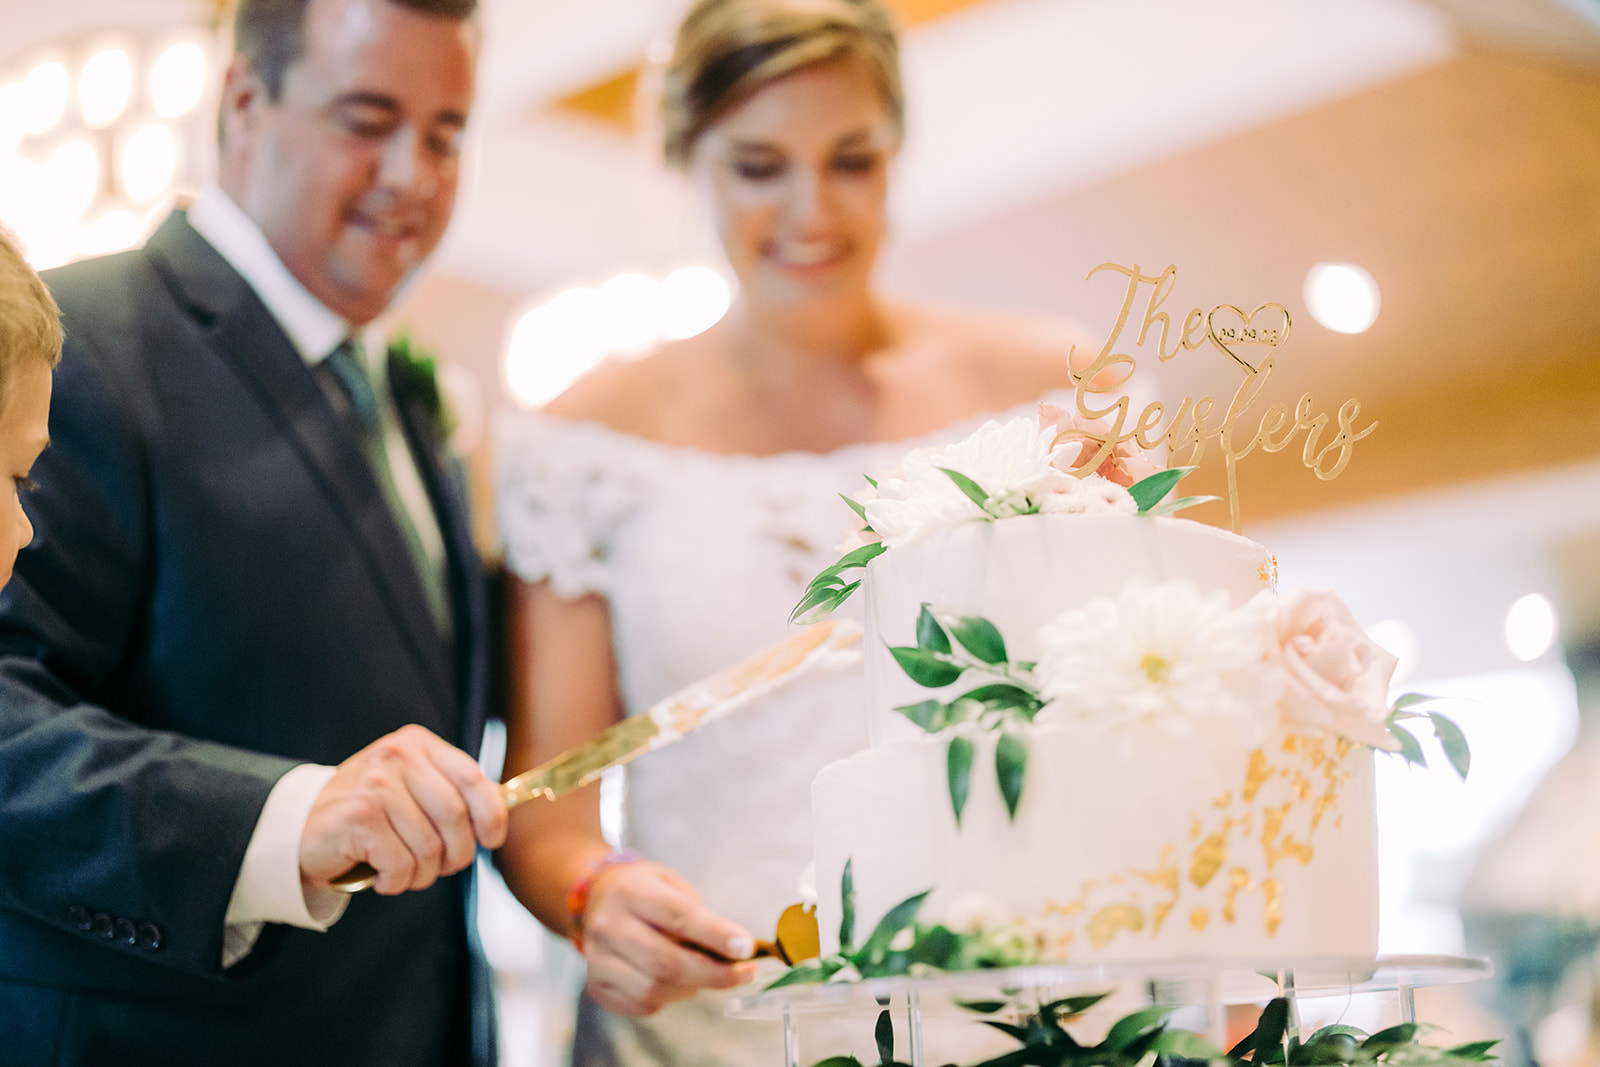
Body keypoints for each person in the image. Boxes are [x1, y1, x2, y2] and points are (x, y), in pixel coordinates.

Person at [493, 0, 1086, 1062]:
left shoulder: (1048, 393)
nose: (811, 210)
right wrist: (597, 892)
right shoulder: (580, 439)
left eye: (850, 160)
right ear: (690, 161)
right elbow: (549, 797)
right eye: (759, 165)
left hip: (1018, 1016)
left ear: (896, 151)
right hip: (711, 1020)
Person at [0, 1, 509, 1063]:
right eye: (368, 118)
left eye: (447, 134)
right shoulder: (81, 345)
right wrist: (280, 818)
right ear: (242, 98)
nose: (413, 174)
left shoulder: (415, 409)